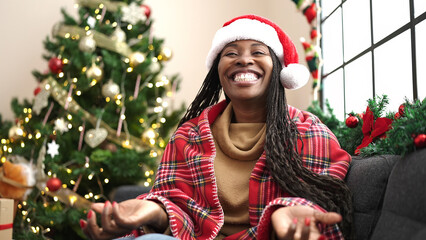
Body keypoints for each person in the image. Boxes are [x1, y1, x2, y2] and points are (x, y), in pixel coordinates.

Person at [80, 14, 353, 240]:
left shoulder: (307, 132)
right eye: (230, 53)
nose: (243, 60)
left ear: (279, 69)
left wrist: (285, 213)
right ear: (218, 72)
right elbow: (176, 207)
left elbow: (325, 194)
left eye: (258, 52)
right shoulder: (189, 136)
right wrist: (152, 209)